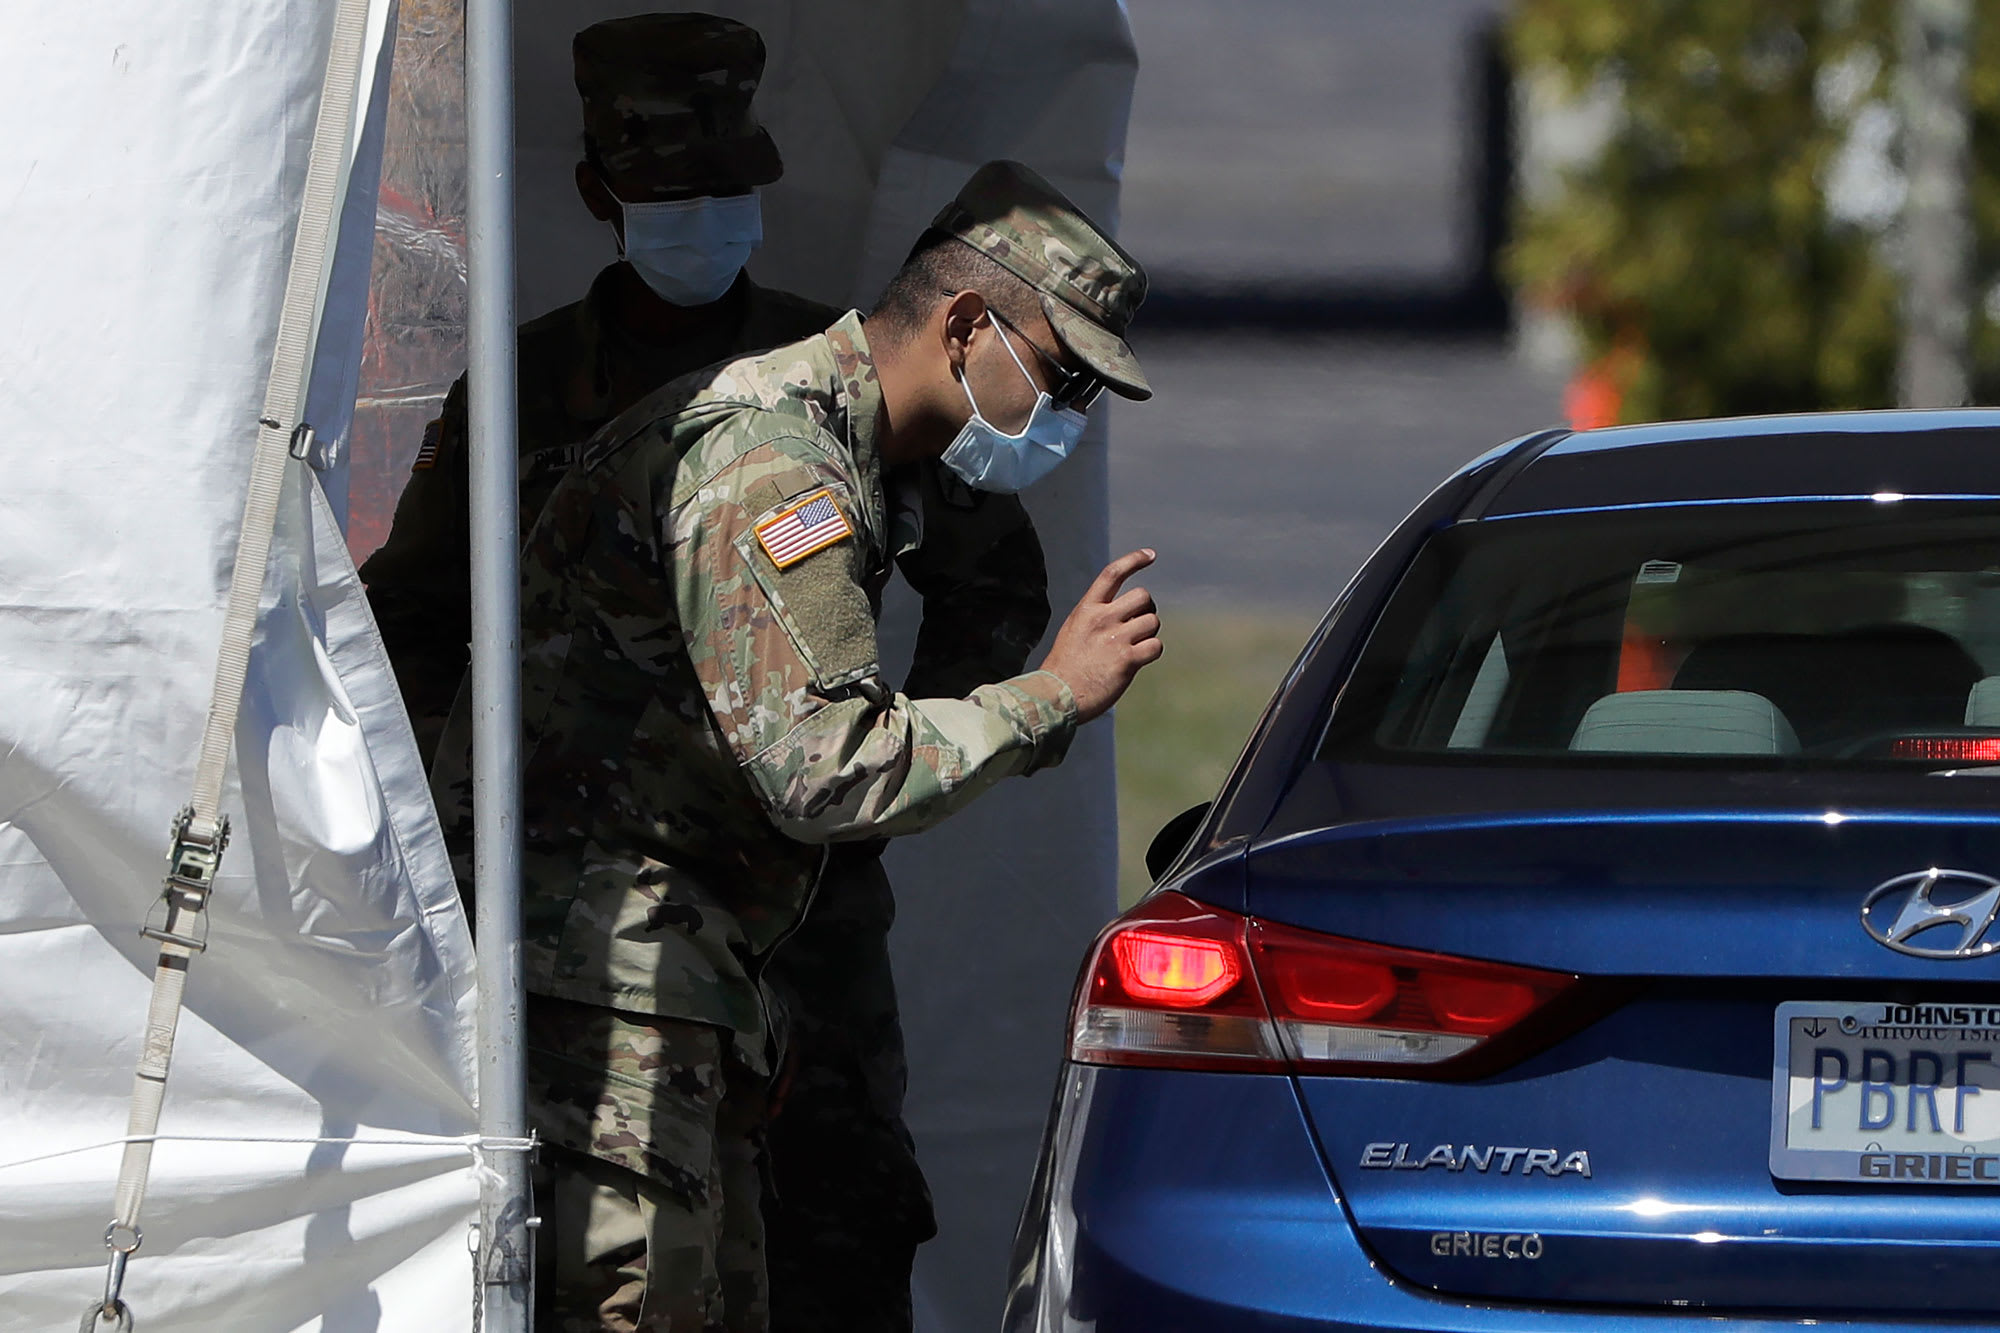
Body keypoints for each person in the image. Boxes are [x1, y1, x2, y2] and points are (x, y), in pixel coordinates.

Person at [428, 159, 1158, 1332]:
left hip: (683, 972)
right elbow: (822, 768)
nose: (1064, 413)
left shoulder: (856, 452)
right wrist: (1050, 698)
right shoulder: (773, 464)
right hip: (601, 986)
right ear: (967, 326)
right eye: (1059, 375)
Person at [360, 12, 835, 764]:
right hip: (572, 821)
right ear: (596, 192)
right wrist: (470, 776)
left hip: (778, 825)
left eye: (730, 187)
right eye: (672, 192)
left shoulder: (830, 366)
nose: (707, 216)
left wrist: (899, 762)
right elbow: (410, 609)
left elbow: (984, 575)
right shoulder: (516, 390)